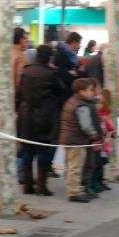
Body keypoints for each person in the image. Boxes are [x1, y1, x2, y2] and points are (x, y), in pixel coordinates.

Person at [17, 45, 65, 196]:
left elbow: (19, 93)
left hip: (26, 116)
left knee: (27, 150)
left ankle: (27, 184)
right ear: (49, 57)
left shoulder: (26, 71)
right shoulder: (52, 73)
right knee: (43, 149)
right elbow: (61, 90)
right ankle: (42, 186)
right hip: (45, 117)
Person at [59, 78, 102, 203]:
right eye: (89, 90)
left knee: (72, 166)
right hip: (76, 140)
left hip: (70, 138)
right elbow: (86, 126)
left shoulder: (72, 101)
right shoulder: (81, 106)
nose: (92, 93)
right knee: (75, 167)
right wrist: (94, 136)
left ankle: (75, 189)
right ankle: (74, 192)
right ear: (81, 92)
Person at [91, 89, 115, 192]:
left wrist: (112, 132)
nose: (100, 105)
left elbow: (109, 126)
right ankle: (94, 183)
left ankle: (99, 181)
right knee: (98, 163)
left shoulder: (105, 113)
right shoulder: (99, 115)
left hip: (105, 141)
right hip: (100, 142)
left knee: (103, 162)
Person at [55, 31, 83, 103]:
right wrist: (77, 73)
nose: (79, 46)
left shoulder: (73, 56)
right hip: (64, 93)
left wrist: (75, 72)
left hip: (70, 90)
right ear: (73, 42)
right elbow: (65, 75)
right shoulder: (61, 55)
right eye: (79, 43)